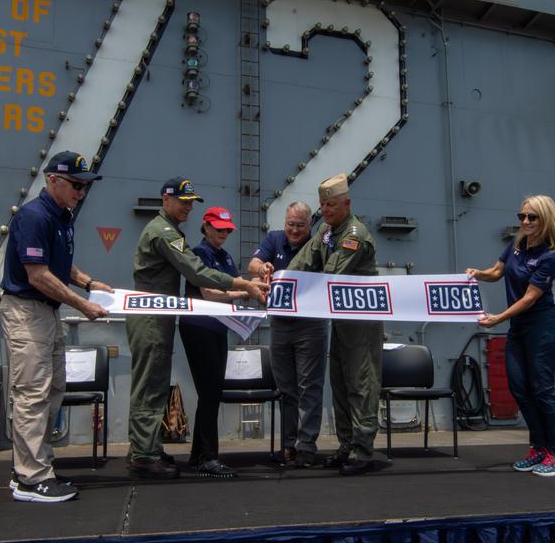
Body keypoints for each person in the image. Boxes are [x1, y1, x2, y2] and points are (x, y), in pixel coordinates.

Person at [127, 177, 269, 480]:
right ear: (166, 200)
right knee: (150, 385)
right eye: (183, 201)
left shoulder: (170, 231)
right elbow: (197, 272)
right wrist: (244, 285)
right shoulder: (164, 232)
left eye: (191, 202)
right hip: (151, 319)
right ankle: (143, 455)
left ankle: (146, 447)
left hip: (160, 318)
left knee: (154, 385)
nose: (187, 207)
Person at [0, 150, 113, 503]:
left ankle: (37, 465)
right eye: (77, 185)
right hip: (27, 310)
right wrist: (83, 304)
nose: (81, 193)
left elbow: (60, 263)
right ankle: (31, 479)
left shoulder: (61, 216)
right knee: (32, 393)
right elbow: (38, 274)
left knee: (53, 391)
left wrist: (88, 282)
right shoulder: (34, 216)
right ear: (53, 181)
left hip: (47, 313)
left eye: (85, 186)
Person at [465, 194, 555, 477]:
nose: (525, 221)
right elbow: (497, 271)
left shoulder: (549, 256)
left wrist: (498, 318)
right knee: (519, 387)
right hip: (519, 328)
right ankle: (539, 449)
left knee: (542, 389)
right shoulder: (516, 245)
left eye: (532, 217)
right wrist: (478, 273)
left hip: (541, 326)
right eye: (522, 216)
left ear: (545, 219)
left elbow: (529, 298)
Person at [286, 173, 383, 475]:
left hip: (361, 321)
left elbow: (330, 273)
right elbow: (304, 259)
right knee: (340, 382)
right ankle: (347, 445)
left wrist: (297, 285)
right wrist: (282, 281)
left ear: (347, 203)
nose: (325, 211)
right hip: (341, 318)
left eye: (331, 205)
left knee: (360, 382)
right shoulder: (328, 232)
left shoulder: (355, 235)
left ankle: (363, 449)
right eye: (323, 205)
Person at [248, 202, 328, 468]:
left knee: (309, 387)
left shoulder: (318, 245)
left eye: (300, 225)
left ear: (310, 225)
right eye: (290, 224)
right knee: (286, 389)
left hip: (311, 325)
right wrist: (263, 270)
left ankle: (306, 446)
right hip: (280, 325)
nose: (294, 230)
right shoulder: (274, 239)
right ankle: (288, 444)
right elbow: (254, 263)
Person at [179, 206, 251, 478]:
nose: (223, 233)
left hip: (217, 329)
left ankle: (199, 455)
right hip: (199, 328)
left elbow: (234, 284)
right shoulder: (200, 254)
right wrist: (243, 293)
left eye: (227, 229)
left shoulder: (224, 255)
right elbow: (208, 292)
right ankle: (207, 457)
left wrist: (251, 286)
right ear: (206, 227)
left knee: (211, 393)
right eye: (219, 228)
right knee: (209, 392)